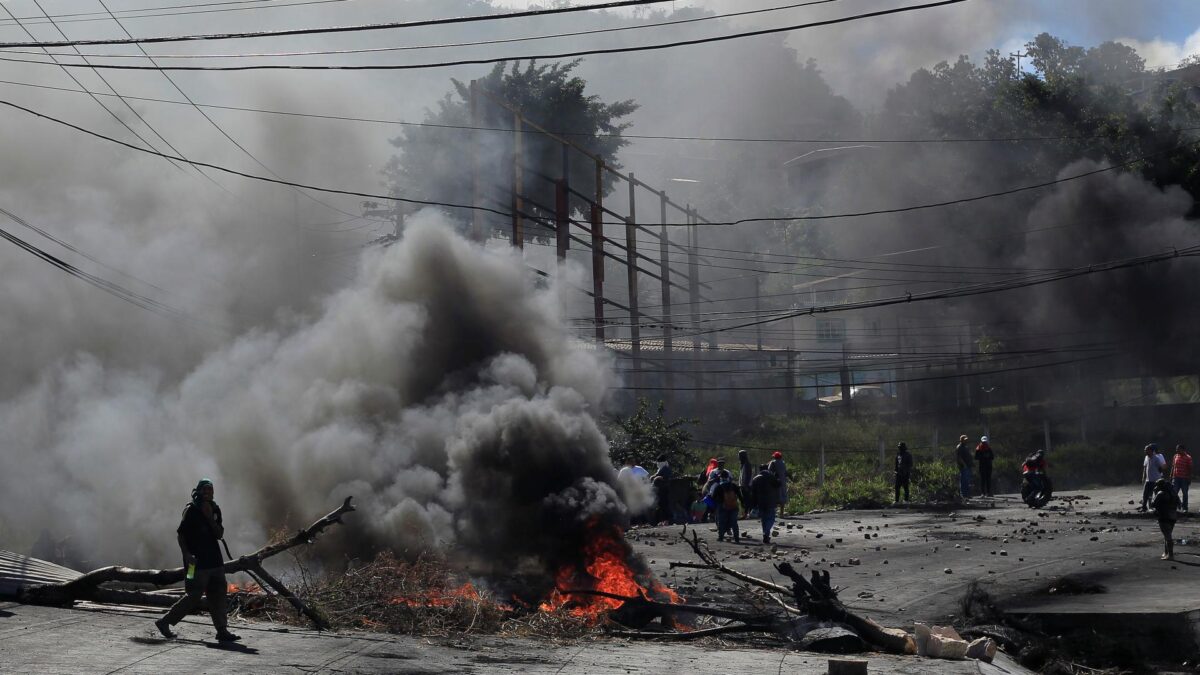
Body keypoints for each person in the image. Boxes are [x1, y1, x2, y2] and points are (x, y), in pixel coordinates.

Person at [155, 479, 241, 642]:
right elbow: (181, 535)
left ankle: (222, 631)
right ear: (199, 491)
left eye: (211, 490)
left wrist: (210, 518)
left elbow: (219, 535)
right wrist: (187, 555)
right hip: (195, 563)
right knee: (193, 595)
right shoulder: (191, 509)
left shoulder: (215, 509)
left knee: (218, 595)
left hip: (215, 562)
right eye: (205, 489)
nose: (209, 492)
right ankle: (164, 622)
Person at [1151, 477, 1180, 560]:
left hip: (1164, 516)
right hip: (1173, 516)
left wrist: (1154, 494)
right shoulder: (1173, 493)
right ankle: (1166, 553)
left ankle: (1170, 555)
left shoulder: (1160, 493)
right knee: (1167, 535)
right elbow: (1179, 503)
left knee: (1167, 536)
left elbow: (1153, 504)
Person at [750, 464, 781, 544]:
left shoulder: (755, 479)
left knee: (764, 520)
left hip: (760, 502)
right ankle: (766, 533)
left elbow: (752, 493)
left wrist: (753, 504)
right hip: (770, 501)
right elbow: (778, 484)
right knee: (771, 518)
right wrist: (777, 477)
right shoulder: (771, 476)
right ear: (767, 469)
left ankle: (765, 535)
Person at [711, 474, 743, 543]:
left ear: (721, 478)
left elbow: (713, 497)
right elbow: (740, 496)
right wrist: (743, 505)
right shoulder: (734, 486)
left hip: (722, 507)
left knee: (721, 522)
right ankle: (736, 538)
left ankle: (721, 537)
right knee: (734, 523)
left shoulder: (718, 486)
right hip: (733, 506)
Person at [1140, 444, 1167, 512]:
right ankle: (1144, 507)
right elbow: (1145, 467)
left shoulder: (1156, 458)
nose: (1145, 451)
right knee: (1145, 494)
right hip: (1148, 480)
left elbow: (1161, 467)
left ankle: (1157, 508)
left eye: (1146, 450)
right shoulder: (1147, 457)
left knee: (1155, 494)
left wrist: (1158, 474)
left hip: (1155, 480)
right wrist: (1143, 476)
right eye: (1145, 450)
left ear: (1151, 451)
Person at [651, 455, 673, 524]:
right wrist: (654, 476)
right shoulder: (661, 468)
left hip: (664, 489)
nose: (658, 463)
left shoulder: (666, 468)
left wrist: (659, 477)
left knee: (664, 505)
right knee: (660, 505)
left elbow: (666, 478)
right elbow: (657, 474)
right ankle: (663, 520)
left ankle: (667, 520)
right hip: (659, 490)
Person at [1172, 444, 1192, 512]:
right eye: (1176, 449)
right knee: (1174, 493)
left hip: (1184, 478)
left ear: (1183, 449)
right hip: (1176, 478)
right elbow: (1173, 467)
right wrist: (1172, 476)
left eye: (1178, 449)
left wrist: (1189, 478)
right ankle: (1174, 506)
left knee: (1185, 494)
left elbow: (1190, 468)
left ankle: (1185, 508)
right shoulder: (1175, 456)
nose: (1176, 450)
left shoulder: (1188, 457)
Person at [767, 451, 788, 516]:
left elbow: (769, 471)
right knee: (782, 497)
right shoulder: (783, 463)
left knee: (774, 497)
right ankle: (781, 513)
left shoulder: (773, 462)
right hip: (783, 482)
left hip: (776, 482)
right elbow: (785, 472)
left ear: (775, 457)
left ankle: (772, 513)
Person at [737, 449, 755, 518]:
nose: (739, 457)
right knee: (745, 500)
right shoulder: (743, 464)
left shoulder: (747, 464)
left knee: (747, 500)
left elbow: (748, 476)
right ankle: (747, 513)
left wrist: (746, 485)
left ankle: (747, 514)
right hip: (743, 485)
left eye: (740, 456)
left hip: (746, 485)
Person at [955, 435, 972, 499]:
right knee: (963, 480)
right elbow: (959, 457)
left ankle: (967, 494)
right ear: (961, 440)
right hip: (963, 466)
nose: (966, 441)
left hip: (968, 466)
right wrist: (964, 465)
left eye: (966, 440)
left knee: (967, 480)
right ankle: (963, 495)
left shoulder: (965, 447)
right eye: (965, 440)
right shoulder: (959, 447)